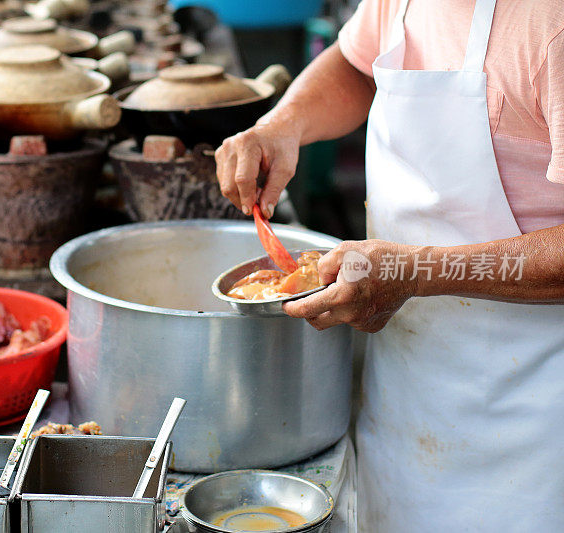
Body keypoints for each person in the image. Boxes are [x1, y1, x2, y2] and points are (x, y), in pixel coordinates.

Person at [215, 0, 564, 530]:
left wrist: (418, 272)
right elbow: (356, 65)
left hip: (532, 414)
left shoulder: (550, 26)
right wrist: (282, 125)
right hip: (408, 386)